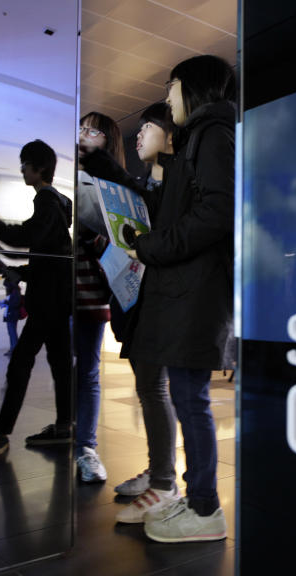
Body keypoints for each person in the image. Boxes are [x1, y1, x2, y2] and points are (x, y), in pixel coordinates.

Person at [88, 55, 235, 542]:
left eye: (171, 86)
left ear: (190, 87)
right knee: (187, 398)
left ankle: (205, 509)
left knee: (191, 400)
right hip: (186, 291)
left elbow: (216, 213)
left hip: (197, 293)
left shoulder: (213, 134)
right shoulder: (202, 137)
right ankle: (193, 500)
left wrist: (151, 245)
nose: (167, 96)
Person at [0, 140, 73, 459]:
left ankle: (1, 433)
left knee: (20, 363)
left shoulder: (46, 200)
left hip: (47, 302)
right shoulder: (59, 203)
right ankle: (63, 426)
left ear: (39, 168)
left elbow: (23, 237)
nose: (21, 169)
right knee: (59, 363)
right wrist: (21, 270)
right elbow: (52, 256)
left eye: (24, 163)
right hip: (58, 298)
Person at [111, 103, 180, 519]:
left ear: (170, 135)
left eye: (148, 127)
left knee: (159, 389)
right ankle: (160, 471)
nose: (139, 135)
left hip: (164, 300)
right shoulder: (141, 188)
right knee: (149, 389)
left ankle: (164, 480)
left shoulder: (176, 185)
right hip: (137, 298)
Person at [70, 112, 126, 482]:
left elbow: (118, 243)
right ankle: (71, 434)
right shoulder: (77, 179)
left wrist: (92, 238)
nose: (84, 134)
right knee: (69, 368)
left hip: (93, 292)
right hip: (66, 289)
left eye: (94, 130)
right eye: (83, 127)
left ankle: (85, 447)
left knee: (87, 370)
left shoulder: (113, 187)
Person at [0, 275, 23, 356]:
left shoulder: (15, 291)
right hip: (10, 314)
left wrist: (6, 302)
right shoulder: (14, 291)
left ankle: (15, 349)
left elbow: (15, 303)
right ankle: (13, 348)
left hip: (12, 314)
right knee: (11, 333)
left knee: (12, 333)